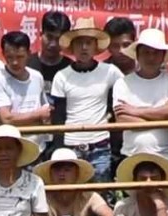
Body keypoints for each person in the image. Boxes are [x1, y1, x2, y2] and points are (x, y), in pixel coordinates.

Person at [50, 18, 121, 181]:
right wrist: (59, 149)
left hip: (100, 144)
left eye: (88, 43)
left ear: (95, 46)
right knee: (72, 195)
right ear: (72, 47)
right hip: (70, 144)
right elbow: (58, 117)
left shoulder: (110, 72)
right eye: (79, 43)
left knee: (101, 195)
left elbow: (122, 99)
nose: (84, 48)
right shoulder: (61, 76)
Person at [112, 28, 168, 168]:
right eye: (146, 52)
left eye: (156, 53)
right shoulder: (123, 83)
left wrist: (135, 111)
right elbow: (122, 118)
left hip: (167, 156)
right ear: (137, 55)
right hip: (131, 156)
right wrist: (160, 114)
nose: (151, 57)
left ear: (163, 56)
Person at [0, 32, 50, 158]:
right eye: (10, 57)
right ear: (3, 54)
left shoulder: (37, 76)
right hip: (12, 151)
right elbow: (6, 119)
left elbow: (45, 113)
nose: (15, 62)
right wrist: (37, 114)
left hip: (38, 148)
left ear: (28, 53)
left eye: (20, 56)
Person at [31, 9, 71, 84]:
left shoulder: (70, 68)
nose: (53, 44)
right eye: (49, 37)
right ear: (40, 34)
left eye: (58, 39)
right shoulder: (27, 65)